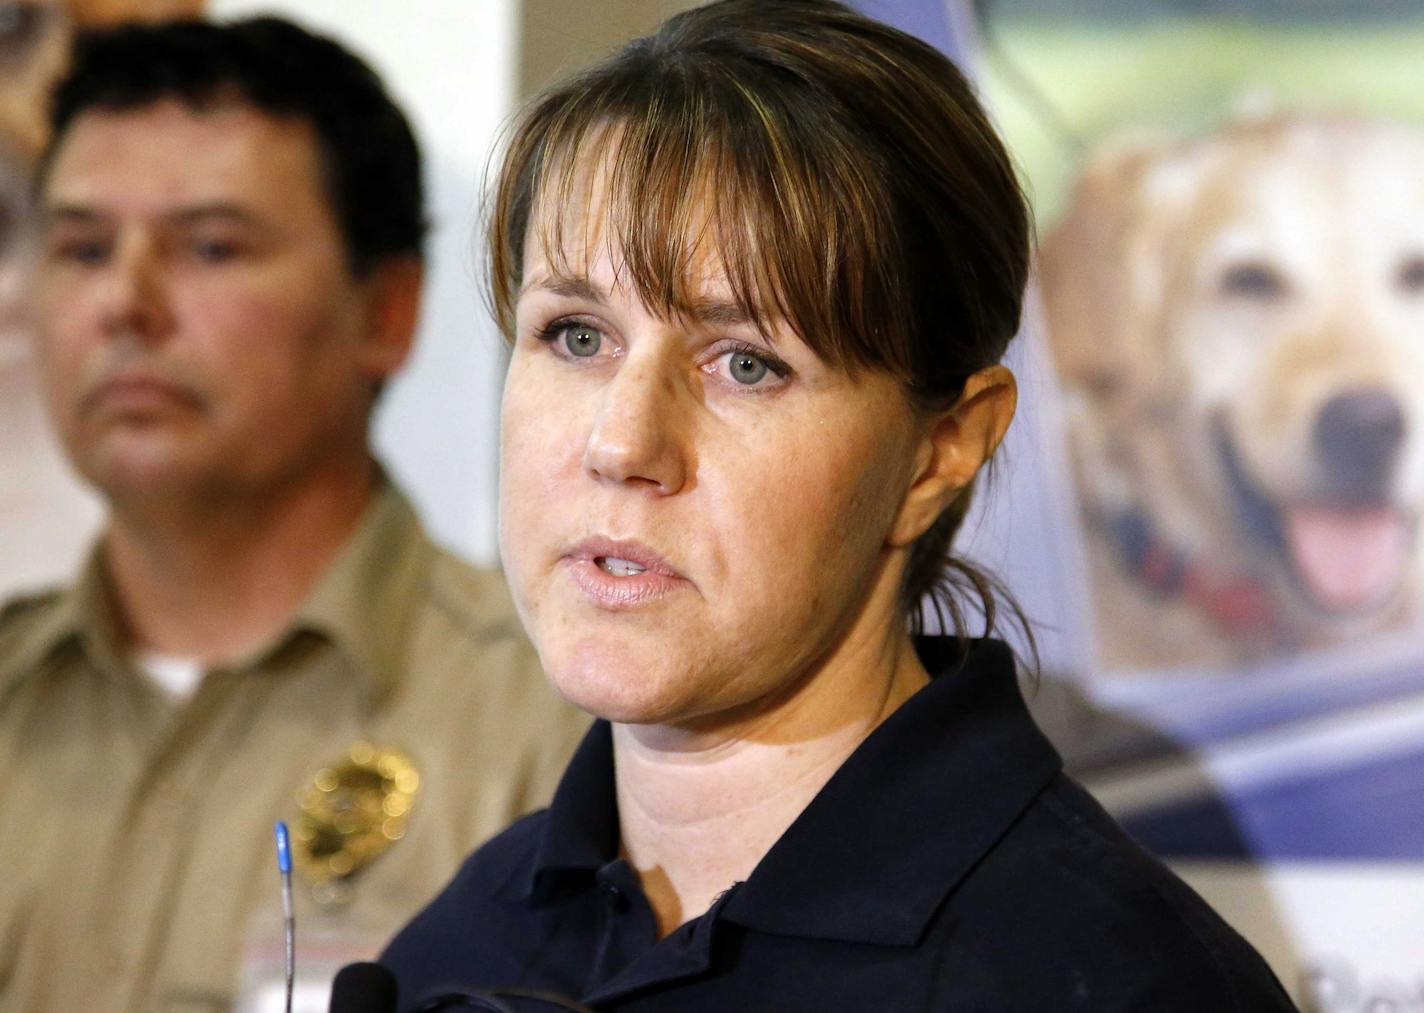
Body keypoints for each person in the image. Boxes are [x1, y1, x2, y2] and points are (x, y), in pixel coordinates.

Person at [381, 2, 1298, 1010]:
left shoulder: (1114, 979)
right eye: (575, 336)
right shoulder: (454, 948)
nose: (620, 443)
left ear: (939, 448)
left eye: (745, 362)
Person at [0, 17, 585, 1011]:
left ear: (384, 312)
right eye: (84, 246)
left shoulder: (557, 720)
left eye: (211, 247)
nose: (125, 303)